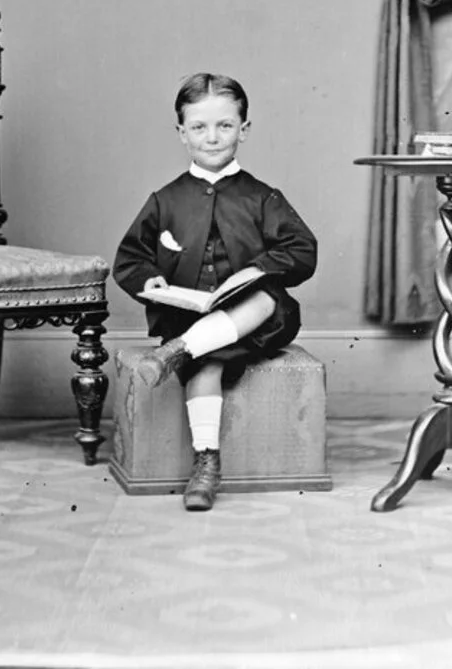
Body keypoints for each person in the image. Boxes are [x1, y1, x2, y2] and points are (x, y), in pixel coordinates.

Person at [113, 73, 317, 512]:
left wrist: (259, 268)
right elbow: (129, 259)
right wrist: (149, 278)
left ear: (244, 129)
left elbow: (303, 250)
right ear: (181, 132)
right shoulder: (164, 199)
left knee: (265, 297)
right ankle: (206, 464)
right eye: (200, 127)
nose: (212, 137)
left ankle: (172, 354)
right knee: (205, 364)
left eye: (225, 126)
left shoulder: (263, 197)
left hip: (257, 321)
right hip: (191, 318)